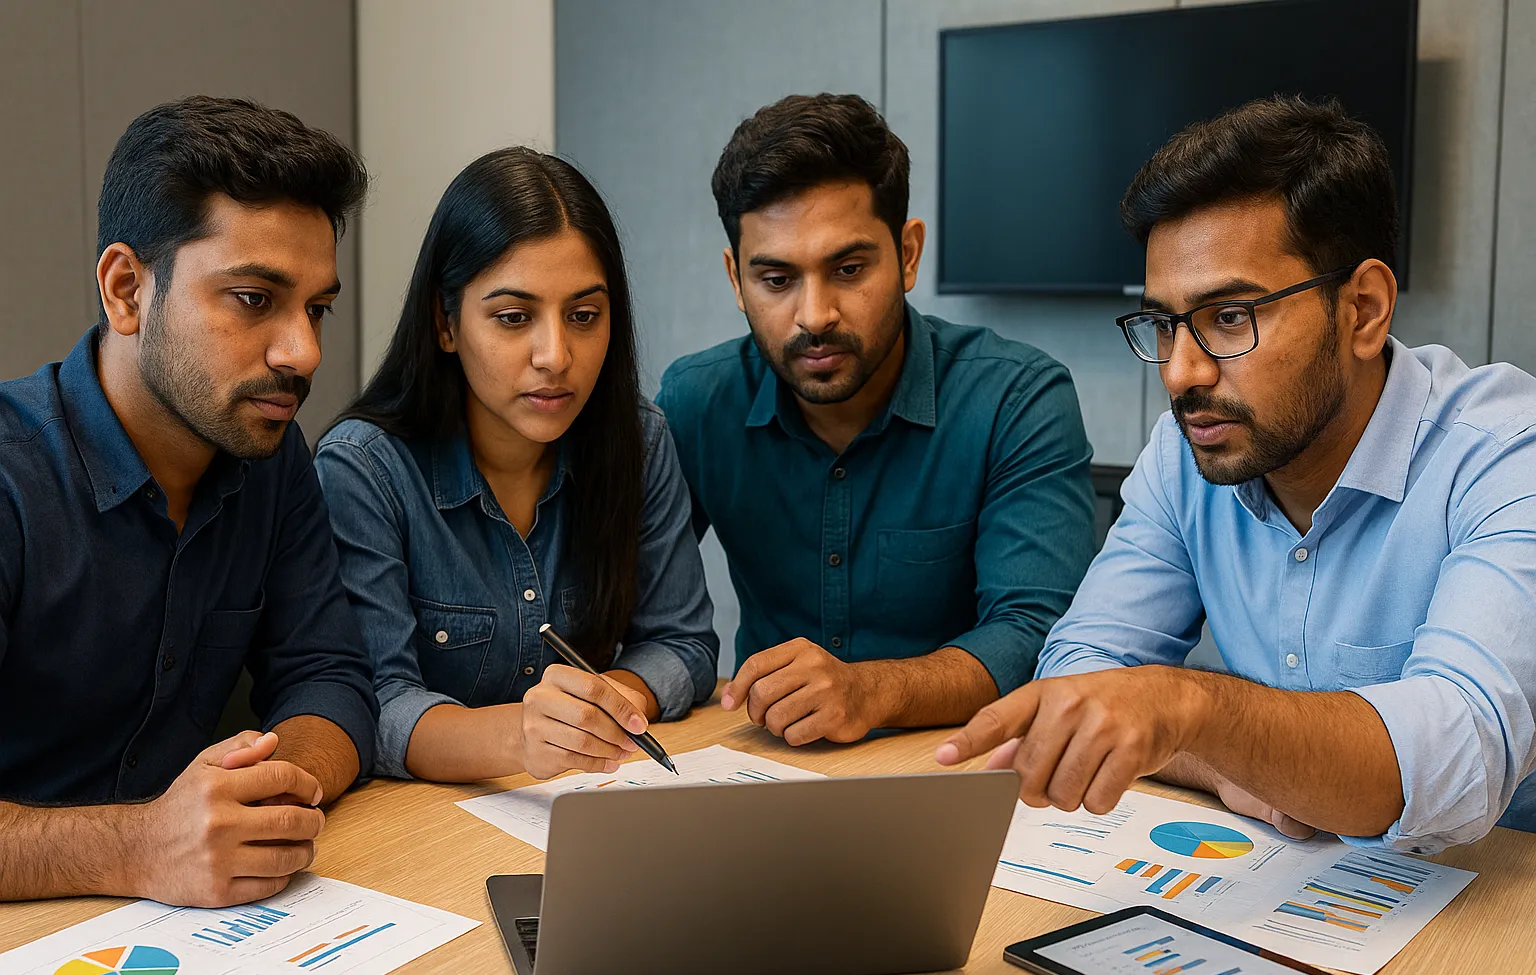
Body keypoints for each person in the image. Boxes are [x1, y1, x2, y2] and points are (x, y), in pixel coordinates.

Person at [937, 96, 1536, 853]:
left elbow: (1458, 755)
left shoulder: (1506, 452)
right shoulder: (1187, 450)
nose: (1181, 373)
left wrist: (1197, 710)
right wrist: (1226, 763)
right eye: (1164, 323)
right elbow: (1082, 673)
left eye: (1229, 317)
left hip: (1499, 886)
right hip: (1295, 885)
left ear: (1363, 309)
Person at [0, 97, 378, 907]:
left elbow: (329, 677)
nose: (304, 352)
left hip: (199, 928)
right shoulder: (11, 482)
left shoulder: (269, 455)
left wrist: (275, 792)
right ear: (126, 290)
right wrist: (138, 846)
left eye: (316, 309)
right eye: (254, 299)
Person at [657, 94, 1097, 746]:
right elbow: (629, 605)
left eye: (849, 269)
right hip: (766, 764)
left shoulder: (1016, 397)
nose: (814, 315)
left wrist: (871, 691)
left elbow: (1038, 632)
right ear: (735, 279)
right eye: (776, 279)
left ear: (908, 254)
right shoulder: (696, 400)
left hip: (956, 762)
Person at [315, 148, 717, 783]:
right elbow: (375, 703)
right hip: (421, 820)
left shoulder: (638, 439)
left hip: (586, 797)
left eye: (583, 316)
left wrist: (609, 705)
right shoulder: (365, 468)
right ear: (445, 323)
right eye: (513, 318)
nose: (555, 355)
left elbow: (681, 642)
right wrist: (521, 738)